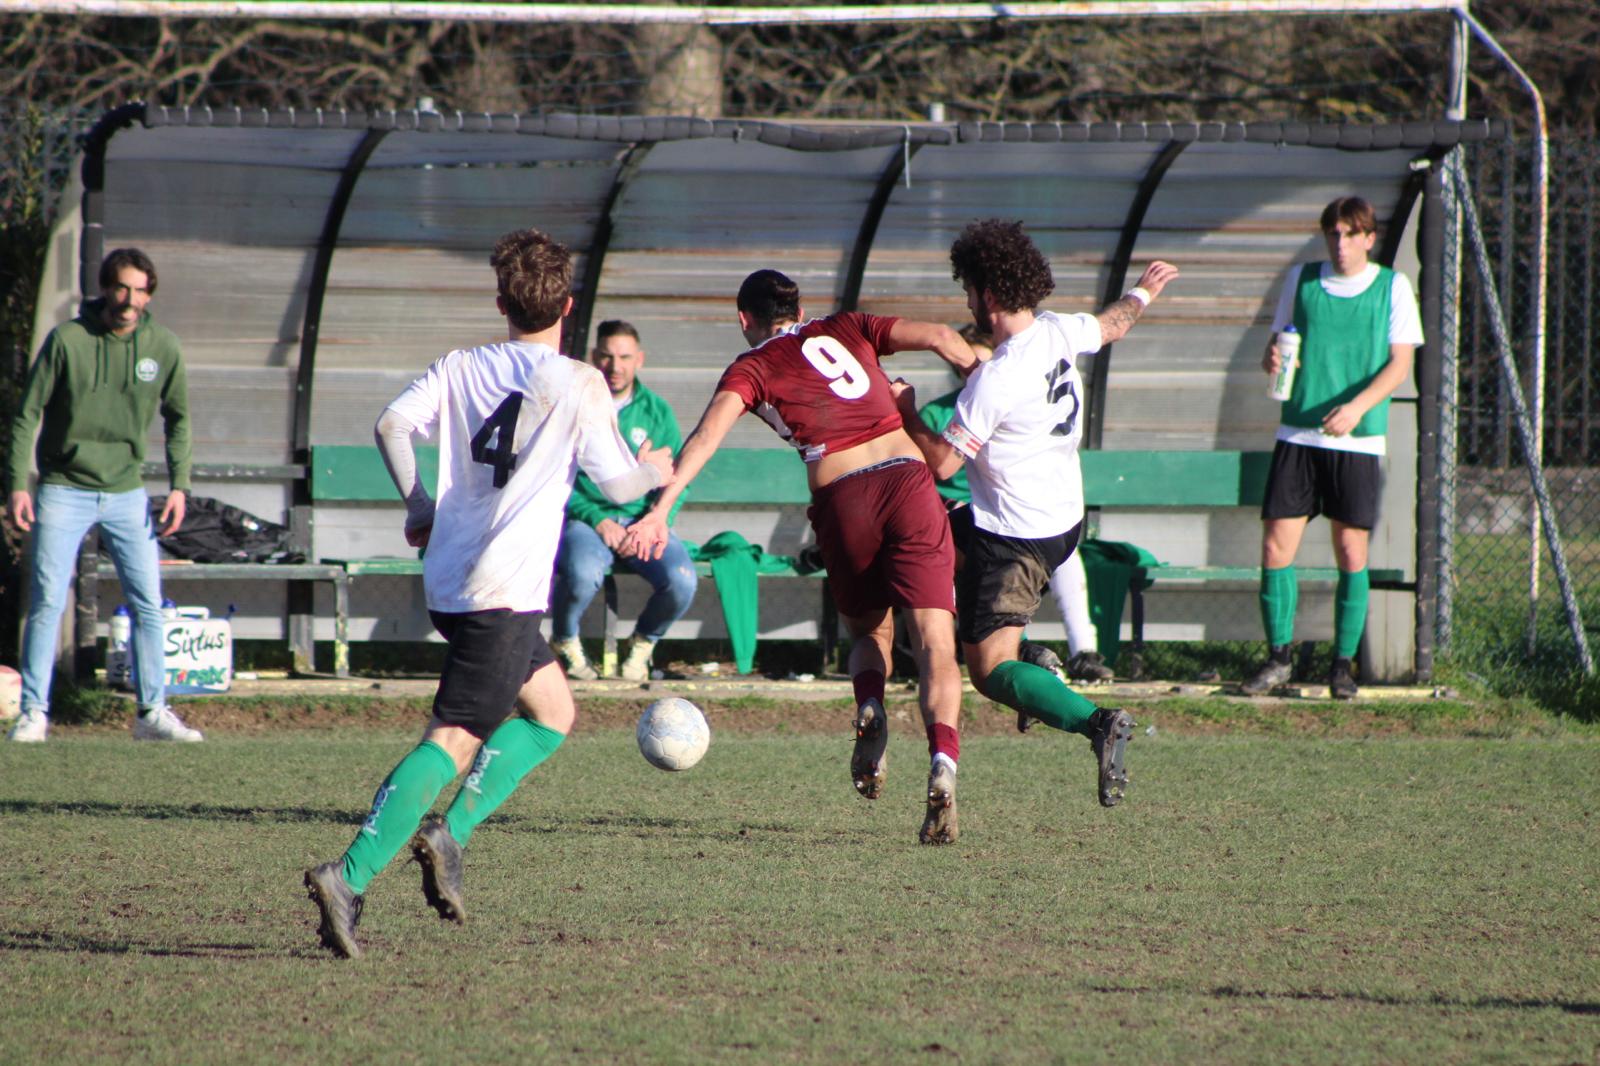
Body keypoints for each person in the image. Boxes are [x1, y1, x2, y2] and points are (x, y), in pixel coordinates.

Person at [303, 229, 672, 958]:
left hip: (451, 579)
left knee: (553, 711)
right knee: (452, 739)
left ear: (501, 301)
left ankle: (449, 834)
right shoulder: (578, 381)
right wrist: (657, 466)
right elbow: (619, 485)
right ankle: (347, 875)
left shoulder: (463, 365)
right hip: (502, 592)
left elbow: (392, 424)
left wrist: (418, 507)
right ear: (569, 305)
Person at [622, 269, 976, 845]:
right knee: (937, 641)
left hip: (844, 497)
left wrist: (661, 510)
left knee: (870, 634)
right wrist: (985, 377)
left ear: (745, 320)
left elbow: (706, 438)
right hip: (910, 482)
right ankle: (944, 763)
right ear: (799, 307)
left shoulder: (752, 367)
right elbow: (940, 333)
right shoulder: (849, 325)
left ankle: (871, 706)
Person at [894, 219, 1178, 808]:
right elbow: (1113, 324)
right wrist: (1143, 290)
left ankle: (1095, 722)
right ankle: (1035, 663)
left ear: (987, 295)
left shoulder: (996, 379)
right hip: (1059, 519)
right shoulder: (1056, 329)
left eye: (968, 289)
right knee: (938, 536)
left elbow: (943, 464)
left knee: (987, 671)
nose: (966, 301)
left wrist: (907, 411)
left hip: (1015, 540)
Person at [6, 248, 201, 744]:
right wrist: (15, 485)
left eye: (139, 290)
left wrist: (180, 484)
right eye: (121, 288)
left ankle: (151, 713)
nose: (129, 300)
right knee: (48, 600)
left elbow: (178, 418)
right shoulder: (68, 340)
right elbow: (28, 413)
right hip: (63, 488)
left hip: (126, 492)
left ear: (149, 295)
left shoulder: (163, 346)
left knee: (149, 604)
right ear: (104, 288)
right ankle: (33, 712)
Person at [1241, 196, 1420, 700]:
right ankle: (1279, 658)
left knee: (1350, 551)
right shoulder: (1303, 280)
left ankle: (1343, 665)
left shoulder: (1391, 286)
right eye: (1333, 234)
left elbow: (1398, 366)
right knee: (1277, 546)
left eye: (1350, 234)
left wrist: (1356, 408)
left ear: (1369, 237)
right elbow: (1275, 352)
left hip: (1357, 439)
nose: (1340, 244)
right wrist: (1272, 357)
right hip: (1297, 433)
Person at [917, 325, 1114, 687]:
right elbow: (924, 470)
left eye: (983, 359)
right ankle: (1017, 651)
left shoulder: (1016, 391)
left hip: (1016, 515)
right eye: (967, 360)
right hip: (968, 515)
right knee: (950, 554)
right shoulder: (939, 411)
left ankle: (1083, 652)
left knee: (1065, 556)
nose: (975, 368)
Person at [549, 320, 696, 682]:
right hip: (587, 521)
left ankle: (643, 643)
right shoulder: (573, 406)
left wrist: (656, 520)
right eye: (607, 356)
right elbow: (552, 477)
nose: (615, 366)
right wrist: (597, 518)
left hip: (642, 522)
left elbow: (676, 479)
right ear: (593, 357)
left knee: (682, 581)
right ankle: (564, 641)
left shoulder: (657, 412)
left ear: (639, 359)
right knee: (582, 574)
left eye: (625, 357)